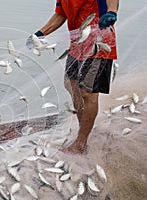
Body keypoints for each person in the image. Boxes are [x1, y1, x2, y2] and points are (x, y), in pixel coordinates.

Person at [27, 0, 119, 154]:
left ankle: (81, 143)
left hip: (100, 43)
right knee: (70, 84)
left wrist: (112, 13)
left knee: (87, 93)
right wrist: (40, 34)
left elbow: (112, 1)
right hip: (77, 44)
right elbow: (60, 15)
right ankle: (84, 130)